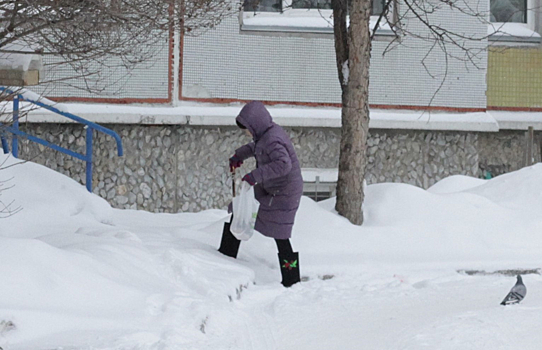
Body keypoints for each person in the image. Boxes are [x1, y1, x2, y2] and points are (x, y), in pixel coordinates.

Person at [218, 101, 304, 287]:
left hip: (285, 191)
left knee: (280, 233)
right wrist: (238, 156)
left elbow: (284, 164)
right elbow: (255, 147)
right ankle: (225, 257)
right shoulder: (265, 135)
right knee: (241, 210)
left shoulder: (273, 138)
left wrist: (254, 176)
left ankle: (292, 280)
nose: (247, 132)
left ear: (256, 124)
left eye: (247, 128)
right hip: (272, 185)